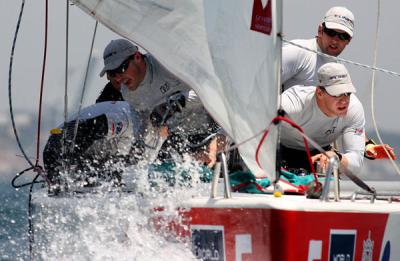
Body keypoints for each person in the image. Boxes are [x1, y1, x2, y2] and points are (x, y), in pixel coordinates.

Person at [281, 6, 395, 160]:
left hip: (317, 152)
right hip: (280, 145)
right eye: (331, 32)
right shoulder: (297, 53)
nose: (335, 40)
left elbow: (344, 114)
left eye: (343, 36)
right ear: (320, 30)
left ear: (349, 40)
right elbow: (261, 89)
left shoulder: (338, 69)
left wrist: (367, 144)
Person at [98, 38, 223, 167]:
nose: (118, 78)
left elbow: (214, 91)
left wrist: (178, 103)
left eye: (121, 69)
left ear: (137, 57)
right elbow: (139, 114)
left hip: (218, 125)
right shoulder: (128, 92)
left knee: (205, 160)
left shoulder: (167, 62)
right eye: (112, 73)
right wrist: (139, 143)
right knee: (159, 173)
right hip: (181, 134)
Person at [43, 101, 169, 192]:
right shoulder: (129, 119)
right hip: (61, 142)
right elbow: (91, 128)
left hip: (96, 155)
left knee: (119, 173)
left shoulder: (160, 137)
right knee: (112, 173)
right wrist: (66, 169)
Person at [280, 63, 365, 174]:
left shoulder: (354, 109)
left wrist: (337, 158)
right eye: (337, 94)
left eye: (347, 93)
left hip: (322, 155)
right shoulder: (291, 104)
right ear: (319, 93)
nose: (344, 101)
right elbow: (255, 119)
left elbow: (357, 162)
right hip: (281, 150)